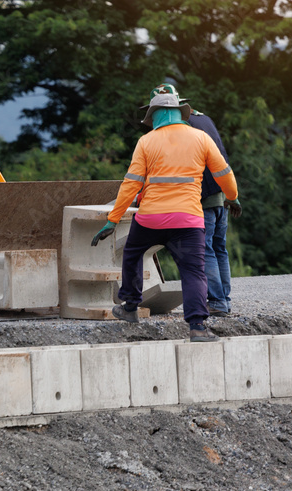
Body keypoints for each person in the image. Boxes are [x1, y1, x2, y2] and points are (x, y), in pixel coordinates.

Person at [91, 88, 240, 342]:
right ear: (179, 111)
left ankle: (130, 307)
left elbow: (131, 184)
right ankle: (197, 327)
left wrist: (113, 220)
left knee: (133, 252)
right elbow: (224, 174)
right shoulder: (201, 138)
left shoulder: (146, 141)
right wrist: (232, 197)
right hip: (188, 221)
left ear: (154, 115)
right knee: (193, 271)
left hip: (150, 219)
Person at [154, 84, 243, 317]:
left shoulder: (181, 127)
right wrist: (232, 196)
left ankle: (217, 302)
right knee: (219, 248)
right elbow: (222, 159)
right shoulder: (205, 119)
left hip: (202, 199)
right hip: (221, 196)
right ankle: (224, 300)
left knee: (205, 250)